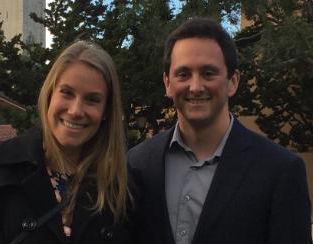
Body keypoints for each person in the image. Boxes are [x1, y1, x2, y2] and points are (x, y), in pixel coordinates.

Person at [128, 17, 312, 244]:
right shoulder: (137, 164)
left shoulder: (280, 170)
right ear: (168, 83)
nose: (195, 87)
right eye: (183, 74)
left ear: (233, 81)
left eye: (208, 73)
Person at [0, 40, 134, 244]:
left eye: (92, 100)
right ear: (49, 95)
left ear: (106, 112)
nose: (75, 111)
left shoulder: (121, 187)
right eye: (67, 93)